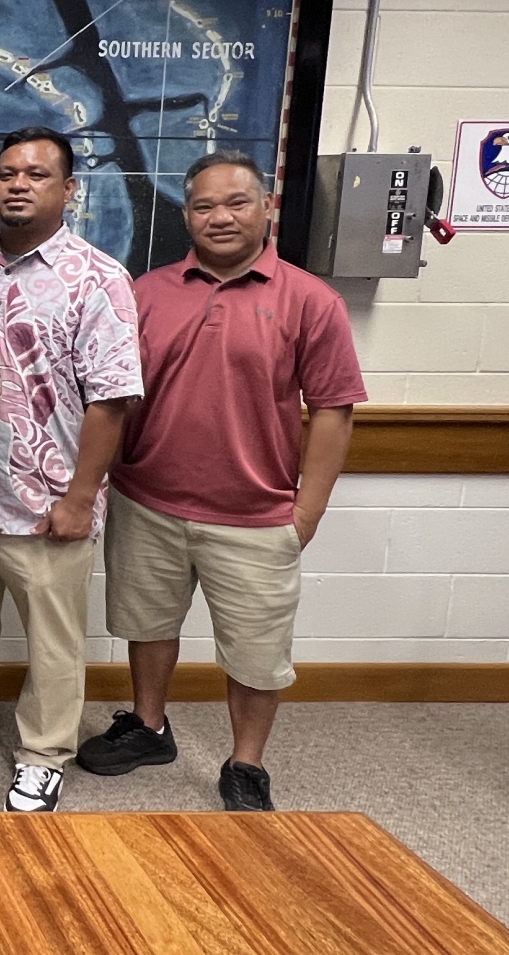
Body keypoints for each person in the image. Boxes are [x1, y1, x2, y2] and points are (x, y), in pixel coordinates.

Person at [76, 150, 365, 811]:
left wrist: (307, 513)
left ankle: (246, 763)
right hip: (147, 499)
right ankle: (149, 727)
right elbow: (112, 396)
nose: (220, 216)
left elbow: (333, 410)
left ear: (267, 207)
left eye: (237, 202)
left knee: (257, 652)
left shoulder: (310, 300)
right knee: (147, 624)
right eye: (204, 205)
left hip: (258, 514)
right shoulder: (144, 293)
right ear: (187, 215)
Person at [0, 127, 142, 813]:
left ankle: (44, 751)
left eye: (37, 174)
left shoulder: (97, 277)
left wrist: (81, 495)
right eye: (7, 172)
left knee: (53, 638)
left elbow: (112, 397)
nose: (17, 183)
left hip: (48, 500)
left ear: (69, 189)